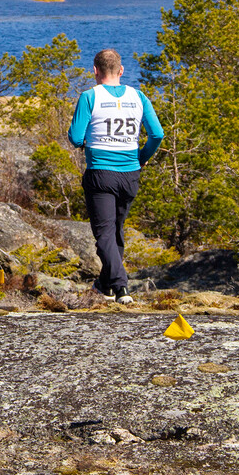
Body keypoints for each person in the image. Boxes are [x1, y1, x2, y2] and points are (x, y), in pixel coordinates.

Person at [68, 49, 164, 304]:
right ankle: (105, 285)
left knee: (104, 234)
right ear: (121, 70)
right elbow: (157, 134)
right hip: (130, 174)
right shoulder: (138, 96)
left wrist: (87, 141)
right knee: (115, 231)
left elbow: (75, 137)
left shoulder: (90, 96)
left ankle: (121, 287)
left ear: (95, 70)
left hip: (101, 173)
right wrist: (142, 157)